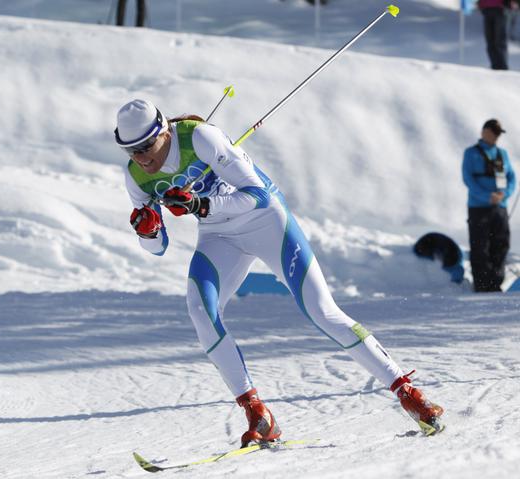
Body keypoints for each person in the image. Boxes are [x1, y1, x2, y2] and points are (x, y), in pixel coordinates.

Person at [115, 99, 445, 444]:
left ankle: (409, 394)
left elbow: (257, 193)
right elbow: (157, 248)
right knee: (201, 310)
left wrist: (201, 204)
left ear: (164, 131)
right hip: (218, 236)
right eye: (130, 150)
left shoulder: (200, 138)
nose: (141, 157)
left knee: (321, 311)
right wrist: (148, 230)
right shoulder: (136, 176)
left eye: (146, 146)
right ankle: (257, 413)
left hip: (267, 222)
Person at [462, 119, 516, 292]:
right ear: (484, 132)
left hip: (500, 207)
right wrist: (487, 196)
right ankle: (482, 284)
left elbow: (512, 179)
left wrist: (504, 195)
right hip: (478, 207)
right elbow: (468, 179)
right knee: (480, 245)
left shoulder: (502, 154)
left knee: (501, 244)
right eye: (494, 132)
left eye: (499, 133)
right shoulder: (471, 153)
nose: (496, 136)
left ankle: (496, 282)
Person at [479, 0, 510, 70]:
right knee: (490, 40)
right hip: (486, 9)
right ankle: (494, 65)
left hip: (500, 9)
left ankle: (502, 66)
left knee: (499, 40)